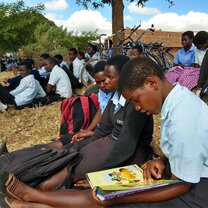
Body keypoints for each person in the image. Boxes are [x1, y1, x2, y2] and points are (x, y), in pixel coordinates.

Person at [0, 55, 154, 208]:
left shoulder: (136, 102)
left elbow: (126, 145)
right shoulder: (115, 97)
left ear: (126, 77)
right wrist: (74, 148)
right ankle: (12, 165)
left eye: (109, 78)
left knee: (66, 174)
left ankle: (31, 200)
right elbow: (102, 131)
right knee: (65, 156)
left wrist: (101, 176)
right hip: (110, 143)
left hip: (129, 152)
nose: (105, 82)